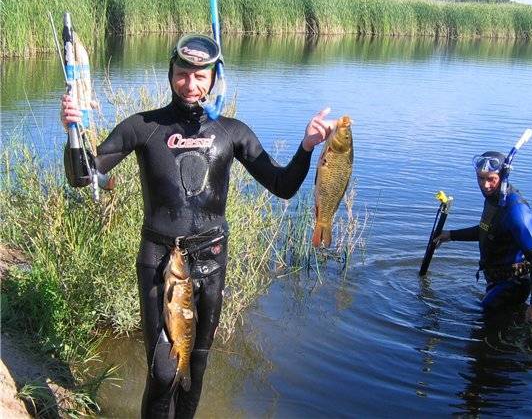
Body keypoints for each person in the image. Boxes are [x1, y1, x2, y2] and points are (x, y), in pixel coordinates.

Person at [60, 33, 336, 418]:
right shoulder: (143, 127)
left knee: (196, 367)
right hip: (159, 260)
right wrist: (72, 132)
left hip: (211, 261)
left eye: (200, 76)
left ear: (213, 78)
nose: (190, 84)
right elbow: (82, 176)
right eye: (182, 74)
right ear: (171, 74)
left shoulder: (232, 131)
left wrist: (306, 147)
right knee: (162, 371)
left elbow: (283, 186)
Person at [436, 151, 532, 326]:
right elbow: (487, 230)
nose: (485, 185)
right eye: (480, 178)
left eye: (491, 179)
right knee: (496, 329)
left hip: (513, 285)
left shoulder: (517, 211)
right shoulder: (493, 199)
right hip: (495, 281)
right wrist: (450, 235)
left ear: (503, 176)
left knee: (488, 317)